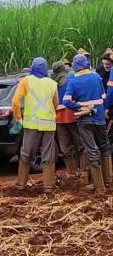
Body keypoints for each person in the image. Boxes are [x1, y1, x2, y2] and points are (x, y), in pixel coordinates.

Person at [62, 54, 110, 192]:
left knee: (91, 150)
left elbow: (66, 101)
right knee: (104, 146)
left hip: (85, 120)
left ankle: (99, 187)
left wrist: (79, 107)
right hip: (99, 118)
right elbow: (103, 97)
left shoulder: (73, 81)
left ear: (76, 67)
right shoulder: (96, 77)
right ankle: (108, 180)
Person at [11, 58, 59, 193]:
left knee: (26, 153)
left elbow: (15, 101)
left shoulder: (26, 81)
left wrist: (18, 118)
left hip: (31, 124)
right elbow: (56, 104)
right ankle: (49, 186)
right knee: (48, 154)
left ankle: (21, 184)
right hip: (49, 124)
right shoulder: (52, 83)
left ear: (32, 67)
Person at [51, 61, 83, 174]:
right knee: (80, 144)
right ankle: (82, 171)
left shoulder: (52, 83)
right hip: (72, 115)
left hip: (59, 118)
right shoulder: (71, 79)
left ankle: (71, 173)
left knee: (65, 148)